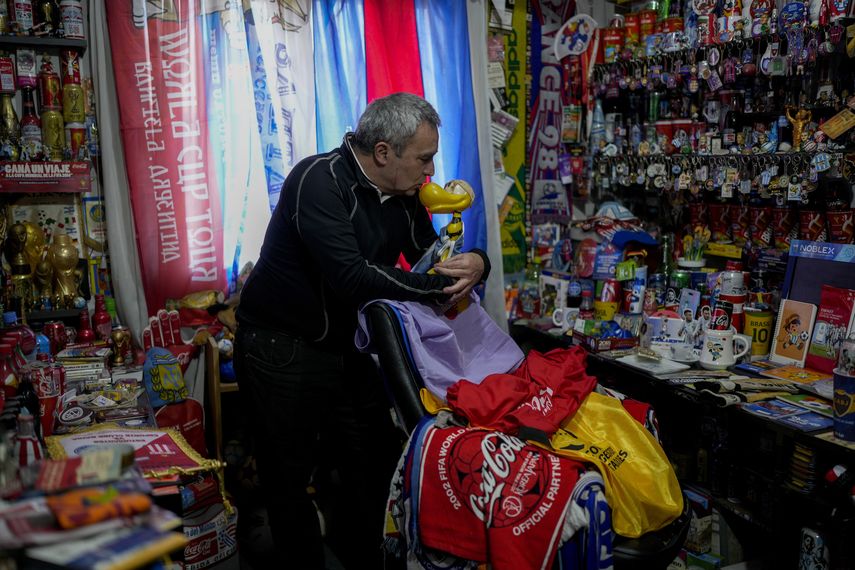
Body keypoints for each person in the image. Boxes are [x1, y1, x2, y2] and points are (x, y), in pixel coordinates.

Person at [234, 92, 490, 569]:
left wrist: (477, 262)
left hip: (345, 346)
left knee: (373, 461)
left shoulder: (402, 192)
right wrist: (437, 288)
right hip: (280, 346)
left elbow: (430, 259)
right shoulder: (319, 180)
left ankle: (370, 557)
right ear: (384, 152)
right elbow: (353, 276)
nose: (430, 172)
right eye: (424, 158)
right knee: (287, 479)